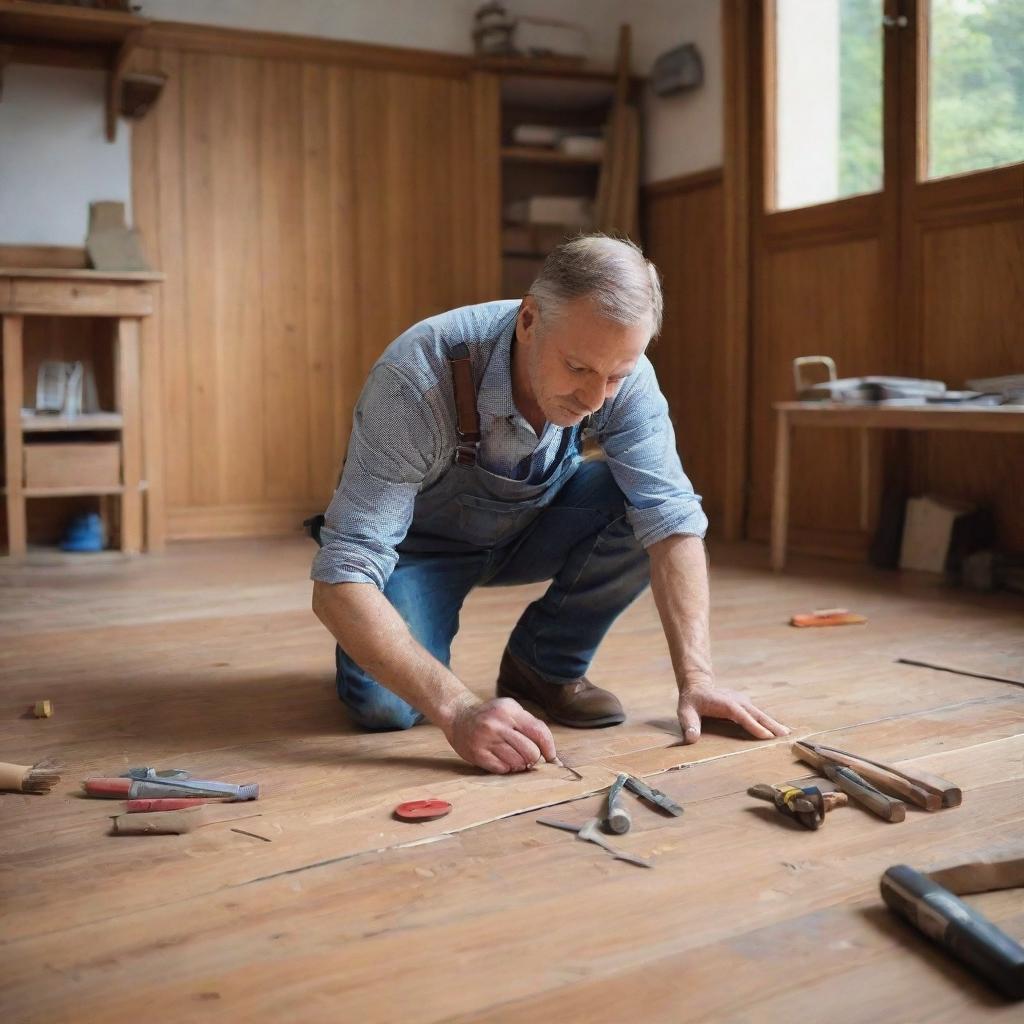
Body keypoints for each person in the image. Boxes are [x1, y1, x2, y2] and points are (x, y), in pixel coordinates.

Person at [311, 235, 788, 774]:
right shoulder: (417, 378)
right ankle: (383, 647)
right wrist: (459, 709)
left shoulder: (623, 380)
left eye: (615, 376)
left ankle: (544, 664)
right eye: (578, 368)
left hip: (530, 529)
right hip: (418, 553)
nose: (594, 398)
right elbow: (339, 580)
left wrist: (698, 680)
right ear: (529, 319)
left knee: (640, 503)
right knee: (384, 708)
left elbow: (672, 519)